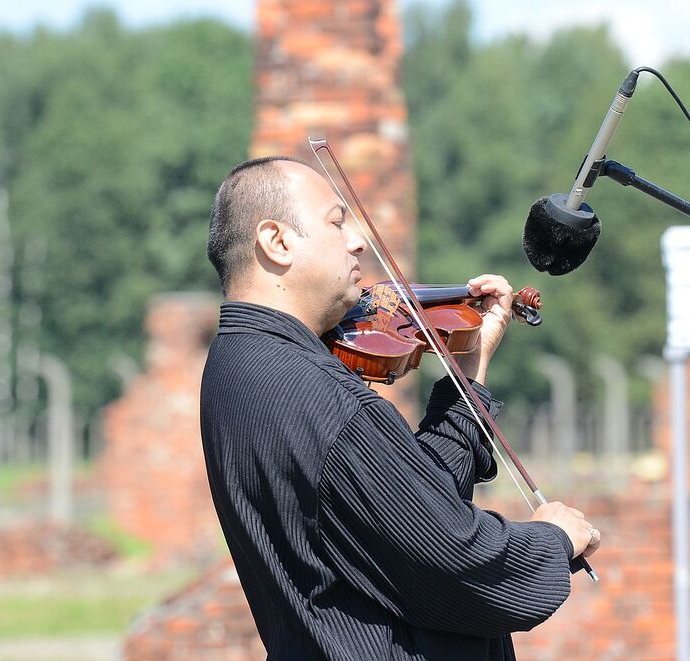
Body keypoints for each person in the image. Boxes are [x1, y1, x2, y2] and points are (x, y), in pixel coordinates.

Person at [200, 156, 601, 660]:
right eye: (336, 222)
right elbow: (454, 560)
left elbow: (404, 510)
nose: (357, 241)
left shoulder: (234, 365)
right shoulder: (327, 401)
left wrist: (470, 369)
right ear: (277, 241)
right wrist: (553, 539)